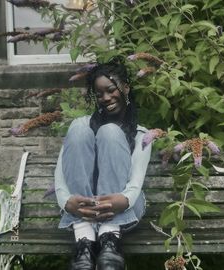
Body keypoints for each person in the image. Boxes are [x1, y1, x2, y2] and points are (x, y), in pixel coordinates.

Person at [55, 59, 152, 270]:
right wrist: (66, 202)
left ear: (125, 88)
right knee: (78, 127)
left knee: (109, 131)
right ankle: (85, 240)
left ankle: (110, 238)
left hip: (124, 206)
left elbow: (136, 183)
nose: (106, 98)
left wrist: (124, 200)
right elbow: (62, 172)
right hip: (83, 207)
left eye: (110, 90)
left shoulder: (143, 135)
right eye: (99, 94)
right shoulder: (82, 126)